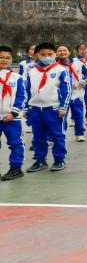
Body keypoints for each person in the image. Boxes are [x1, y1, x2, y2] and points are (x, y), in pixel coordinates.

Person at [24, 42, 71, 172]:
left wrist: (63, 107)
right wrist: (26, 108)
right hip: (35, 109)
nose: (47, 57)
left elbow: (67, 90)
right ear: (37, 55)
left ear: (55, 55)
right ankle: (40, 160)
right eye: (43, 54)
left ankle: (59, 160)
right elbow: (28, 90)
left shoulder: (61, 70)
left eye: (50, 54)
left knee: (57, 135)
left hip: (53, 108)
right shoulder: (32, 71)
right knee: (38, 136)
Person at [0, 45, 27, 181]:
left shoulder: (16, 77)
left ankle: (16, 168)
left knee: (16, 143)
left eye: (8, 58)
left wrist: (14, 113)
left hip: (11, 117)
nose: (4, 60)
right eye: (1, 57)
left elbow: (22, 96)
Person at [56, 44, 87, 142]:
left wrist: (83, 81)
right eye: (60, 51)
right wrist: (69, 84)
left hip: (77, 94)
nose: (62, 52)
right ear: (56, 53)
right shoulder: (55, 66)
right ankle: (61, 134)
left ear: (69, 52)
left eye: (65, 50)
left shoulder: (78, 63)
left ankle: (80, 133)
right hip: (63, 95)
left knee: (79, 114)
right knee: (62, 116)